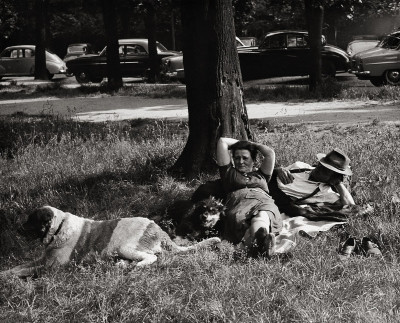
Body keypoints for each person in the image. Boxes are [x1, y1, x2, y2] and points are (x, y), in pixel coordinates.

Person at [216, 137, 282, 257]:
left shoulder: (261, 175)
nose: (240, 161)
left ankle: (260, 240)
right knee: (241, 221)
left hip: (263, 201)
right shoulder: (229, 173)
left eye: (245, 158)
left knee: (263, 215)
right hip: (239, 203)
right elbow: (222, 142)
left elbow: (270, 153)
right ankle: (259, 245)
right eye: (237, 158)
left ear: (254, 160)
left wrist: (252, 145)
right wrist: (246, 144)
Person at [269, 148, 355, 219]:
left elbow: (351, 207)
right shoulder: (300, 166)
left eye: (326, 170)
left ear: (332, 177)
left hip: (272, 198)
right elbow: (269, 173)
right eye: (321, 164)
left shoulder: (324, 192)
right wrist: (278, 170)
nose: (319, 168)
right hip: (264, 183)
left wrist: (338, 183)